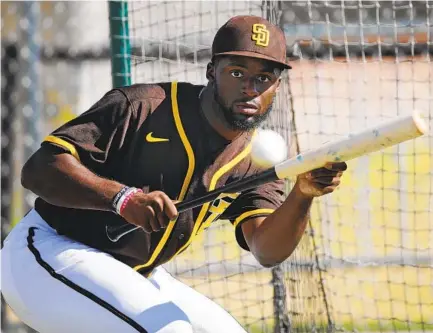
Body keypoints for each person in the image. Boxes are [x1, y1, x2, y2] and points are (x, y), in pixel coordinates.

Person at [1, 15, 346, 333]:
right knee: (168, 330)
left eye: (264, 78)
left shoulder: (255, 160)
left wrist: (302, 195)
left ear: (276, 86)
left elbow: (267, 249)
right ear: (212, 71)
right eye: (237, 72)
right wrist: (123, 199)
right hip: (46, 254)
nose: (250, 88)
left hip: (132, 273)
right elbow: (38, 169)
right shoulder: (143, 107)